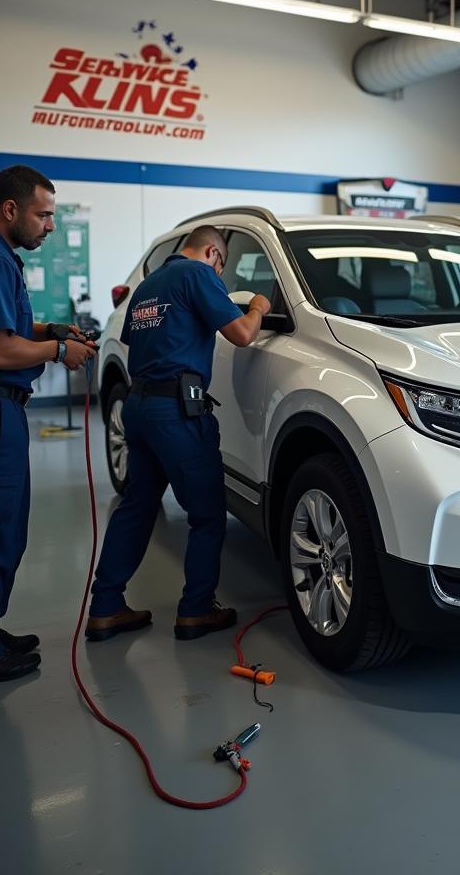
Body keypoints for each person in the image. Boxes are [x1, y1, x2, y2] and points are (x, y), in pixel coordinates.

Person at [86, 226, 270, 642]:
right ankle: (196, 611)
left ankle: (105, 606)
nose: (218, 276)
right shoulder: (198, 275)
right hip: (177, 413)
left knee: (137, 506)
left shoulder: (146, 287)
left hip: (139, 407)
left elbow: (142, 342)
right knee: (206, 515)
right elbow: (241, 335)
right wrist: (256, 306)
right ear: (211, 253)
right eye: (220, 267)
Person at [0, 165, 97, 687]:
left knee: (2, 528)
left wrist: (51, 329)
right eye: (44, 214)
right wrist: (60, 349)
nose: (50, 226)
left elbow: (8, 327)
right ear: (10, 209)